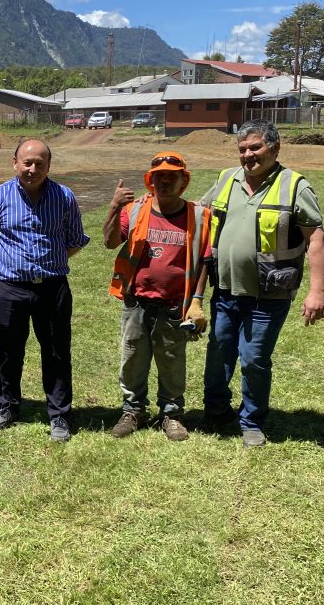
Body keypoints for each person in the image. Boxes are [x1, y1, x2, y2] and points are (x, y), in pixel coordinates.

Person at [200, 120, 324, 447]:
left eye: (255, 147)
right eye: (242, 149)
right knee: (218, 354)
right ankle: (215, 410)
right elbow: (199, 212)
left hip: (268, 295)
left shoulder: (295, 186)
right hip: (226, 290)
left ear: (274, 147)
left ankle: (252, 420)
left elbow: (316, 238)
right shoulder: (227, 178)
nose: (248, 155)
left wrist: (317, 291)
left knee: (254, 358)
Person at [0, 139, 89, 442]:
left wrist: (50, 262)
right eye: (27, 162)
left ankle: (60, 415)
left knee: (56, 353)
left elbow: (76, 238)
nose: (32, 168)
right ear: (15, 163)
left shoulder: (64, 197)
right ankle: (7, 407)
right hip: (10, 288)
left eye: (40, 163)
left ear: (49, 166)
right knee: (8, 351)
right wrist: (7, 268)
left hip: (53, 288)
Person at [103, 152, 211, 442]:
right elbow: (110, 241)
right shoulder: (136, 209)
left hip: (175, 305)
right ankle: (133, 410)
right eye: (158, 176)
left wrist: (197, 301)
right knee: (132, 358)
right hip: (137, 300)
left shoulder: (198, 215)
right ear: (150, 181)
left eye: (171, 176)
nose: (165, 181)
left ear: (183, 181)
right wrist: (114, 208)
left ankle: (172, 414)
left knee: (172, 360)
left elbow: (204, 261)